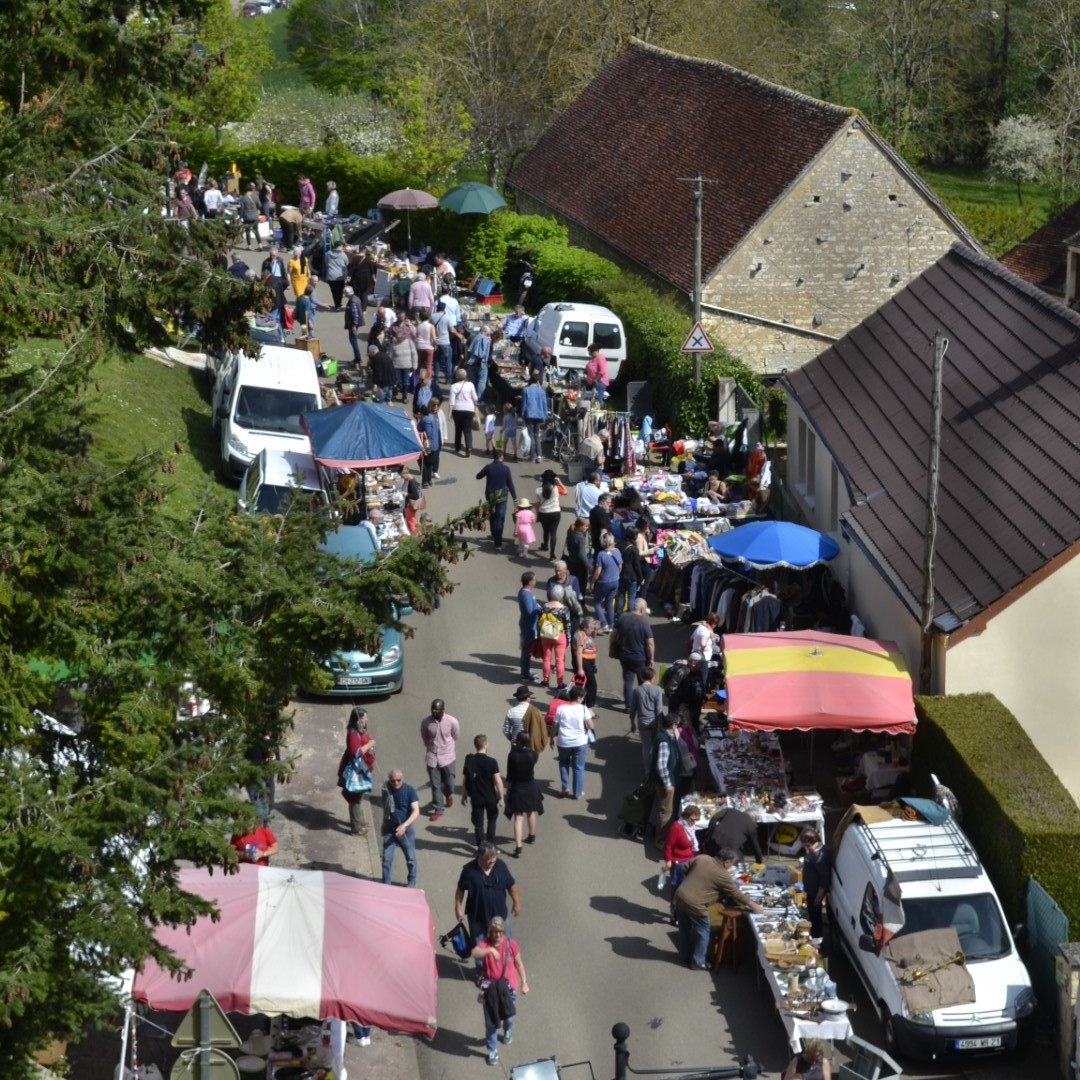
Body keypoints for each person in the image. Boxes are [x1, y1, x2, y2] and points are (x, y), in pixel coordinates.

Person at [673, 846, 763, 969]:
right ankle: (698, 962)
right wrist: (754, 905)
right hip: (696, 904)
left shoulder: (702, 858)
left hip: (680, 896)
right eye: (731, 864)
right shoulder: (722, 875)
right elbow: (735, 893)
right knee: (704, 932)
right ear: (726, 862)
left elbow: (684, 868)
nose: (731, 867)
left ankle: (685, 956)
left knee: (684, 929)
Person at [471, 916, 528, 1066]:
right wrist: (489, 950)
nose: (497, 935)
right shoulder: (485, 943)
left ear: (504, 932)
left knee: (509, 1016)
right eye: (495, 932)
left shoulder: (511, 945)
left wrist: (524, 983)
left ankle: (507, 1030)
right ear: (490, 932)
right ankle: (492, 1050)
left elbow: (519, 964)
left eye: (500, 932)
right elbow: (475, 953)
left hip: (508, 988)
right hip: (489, 988)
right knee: (491, 1022)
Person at [455, 842, 520, 946]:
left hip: (500, 916)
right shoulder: (469, 871)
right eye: (489, 858)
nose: (493, 860)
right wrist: (458, 908)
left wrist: (516, 903)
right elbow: (460, 890)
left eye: (494, 857)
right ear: (480, 856)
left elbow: (511, 885)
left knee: (506, 947)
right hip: (478, 918)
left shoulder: (501, 866)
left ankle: (502, 962)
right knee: (481, 951)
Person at [610, 597, 655, 711]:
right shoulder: (644, 622)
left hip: (624, 656)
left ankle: (629, 706)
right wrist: (651, 658)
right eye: (645, 609)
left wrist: (613, 648)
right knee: (643, 681)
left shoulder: (622, 617)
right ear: (641, 608)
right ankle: (642, 704)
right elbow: (650, 643)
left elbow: (614, 634)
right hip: (640, 657)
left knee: (628, 680)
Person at [550, 684, 594, 799]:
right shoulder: (583, 708)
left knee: (563, 763)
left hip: (563, 741)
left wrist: (551, 738)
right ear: (579, 697)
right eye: (583, 697)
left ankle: (565, 787)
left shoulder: (561, 708)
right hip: (580, 742)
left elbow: (554, 725)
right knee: (578, 767)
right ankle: (577, 793)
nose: (583, 699)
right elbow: (590, 725)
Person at [338, 707, 376, 836]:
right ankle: (356, 827)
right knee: (354, 798)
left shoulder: (359, 730)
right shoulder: (353, 734)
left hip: (362, 769)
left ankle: (359, 820)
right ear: (358, 720)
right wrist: (369, 745)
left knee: (359, 797)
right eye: (365, 718)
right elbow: (356, 753)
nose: (367, 720)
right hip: (356, 772)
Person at [462, 735, 506, 847]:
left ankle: (481, 848)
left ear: (476, 746)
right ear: (485, 745)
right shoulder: (492, 762)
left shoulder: (470, 761)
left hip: (476, 798)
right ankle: (490, 846)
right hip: (490, 797)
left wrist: (464, 795)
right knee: (492, 819)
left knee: (478, 824)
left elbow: (465, 779)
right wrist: (501, 797)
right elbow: (498, 781)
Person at [420, 699, 459, 822]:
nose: (434, 711)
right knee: (435, 785)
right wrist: (431, 747)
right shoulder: (426, 722)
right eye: (432, 709)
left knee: (449, 782)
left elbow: (455, 736)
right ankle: (438, 808)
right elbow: (425, 737)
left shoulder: (452, 721)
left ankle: (448, 794)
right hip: (432, 757)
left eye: (437, 709)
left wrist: (447, 747)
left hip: (448, 757)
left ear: (443, 709)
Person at [505, 730, 544, 855]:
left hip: (517, 787)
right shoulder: (533, 755)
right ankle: (531, 836)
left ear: (518, 741)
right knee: (531, 811)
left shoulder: (512, 755)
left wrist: (508, 789)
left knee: (518, 817)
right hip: (530, 785)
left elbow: (510, 776)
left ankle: (518, 846)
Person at [380, 769, 420, 887]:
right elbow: (386, 807)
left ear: (402, 779)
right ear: (389, 780)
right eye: (393, 781)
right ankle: (386, 886)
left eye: (399, 780)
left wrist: (404, 825)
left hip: (406, 831)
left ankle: (411, 881)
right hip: (389, 830)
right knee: (386, 860)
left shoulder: (410, 791)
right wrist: (383, 823)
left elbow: (416, 811)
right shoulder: (386, 788)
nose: (396, 783)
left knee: (410, 858)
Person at [476, 448, 517, 549]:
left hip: (490, 496)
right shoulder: (506, 469)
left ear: (493, 457)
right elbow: (510, 484)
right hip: (502, 496)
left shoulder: (489, 467)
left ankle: (494, 533)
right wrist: (515, 498)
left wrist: (481, 475)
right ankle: (498, 543)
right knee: (500, 517)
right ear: (502, 457)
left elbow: (478, 476)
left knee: (492, 515)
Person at [650, 712, 679, 839]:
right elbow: (661, 765)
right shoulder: (664, 741)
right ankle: (660, 839)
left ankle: (658, 831)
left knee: (664, 808)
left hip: (661, 780)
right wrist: (668, 784)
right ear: (673, 725)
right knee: (666, 810)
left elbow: (651, 753)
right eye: (677, 725)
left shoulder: (661, 736)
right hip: (664, 782)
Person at [630, 664, 664, 773]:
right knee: (656, 744)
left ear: (641, 677)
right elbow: (659, 709)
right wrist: (660, 724)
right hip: (655, 721)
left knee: (646, 747)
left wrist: (632, 723)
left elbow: (633, 709)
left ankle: (648, 772)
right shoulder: (657, 690)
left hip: (642, 721)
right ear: (653, 677)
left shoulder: (637, 691)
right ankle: (658, 768)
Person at [537, 583, 571, 688]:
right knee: (559, 660)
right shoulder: (564, 609)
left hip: (546, 634)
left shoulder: (545, 606)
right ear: (562, 596)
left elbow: (539, 621)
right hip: (559, 635)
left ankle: (545, 681)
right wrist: (568, 640)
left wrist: (539, 635)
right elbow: (568, 625)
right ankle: (560, 684)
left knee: (546, 659)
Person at [800, 827, 831, 940]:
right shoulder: (815, 851)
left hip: (815, 893)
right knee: (812, 914)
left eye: (807, 846)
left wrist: (819, 896)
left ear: (814, 842)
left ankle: (817, 940)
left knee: (815, 917)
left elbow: (824, 877)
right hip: (811, 890)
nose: (806, 849)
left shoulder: (819, 856)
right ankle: (814, 936)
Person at [591, 531, 622, 633]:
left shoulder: (601, 554)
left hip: (604, 582)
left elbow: (598, 571)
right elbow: (620, 566)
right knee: (609, 603)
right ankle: (611, 625)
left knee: (597, 603)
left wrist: (592, 582)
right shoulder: (617, 551)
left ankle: (604, 624)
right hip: (615, 581)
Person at [502, 685, 547, 753]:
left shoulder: (511, 711)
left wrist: (512, 738)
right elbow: (541, 728)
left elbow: (505, 730)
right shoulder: (536, 711)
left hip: (516, 744)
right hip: (530, 745)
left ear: (517, 698)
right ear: (528, 698)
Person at [668, 652, 707, 726]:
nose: (702, 666)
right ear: (693, 663)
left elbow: (701, 686)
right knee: (682, 728)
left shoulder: (699, 673)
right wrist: (679, 705)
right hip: (683, 708)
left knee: (694, 726)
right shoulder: (682, 672)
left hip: (695, 707)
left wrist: (703, 696)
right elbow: (670, 689)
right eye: (700, 663)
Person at [449, 367, 479, 456]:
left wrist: (449, 413)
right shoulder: (470, 385)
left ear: (457, 377)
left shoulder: (453, 386)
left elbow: (451, 402)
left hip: (457, 410)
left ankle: (457, 447)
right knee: (467, 430)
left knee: (458, 429)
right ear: (465, 376)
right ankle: (468, 447)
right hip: (469, 410)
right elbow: (475, 398)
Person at [388, 310, 418, 401]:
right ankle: (395, 394)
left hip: (407, 360)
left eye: (403, 317)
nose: (401, 319)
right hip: (396, 362)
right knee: (397, 381)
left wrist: (411, 325)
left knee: (406, 381)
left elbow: (415, 334)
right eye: (399, 317)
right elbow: (390, 352)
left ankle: (404, 397)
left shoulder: (408, 325)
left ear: (405, 317)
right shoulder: (393, 326)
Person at [517, 571, 540, 683]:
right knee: (527, 650)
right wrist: (540, 609)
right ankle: (525, 673)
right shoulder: (525, 595)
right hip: (528, 626)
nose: (535, 581)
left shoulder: (527, 592)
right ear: (530, 582)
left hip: (529, 625)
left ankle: (525, 671)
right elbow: (529, 612)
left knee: (527, 649)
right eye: (534, 580)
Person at [617, 528, 645, 616]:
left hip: (621, 573)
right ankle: (631, 615)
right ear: (634, 536)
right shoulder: (633, 549)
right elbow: (637, 565)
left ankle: (618, 614)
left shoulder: (618, 545)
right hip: (632, 575)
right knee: (631, 597)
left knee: (621, 595)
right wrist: (641, 578)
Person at [573, 615, 600, 709]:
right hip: (584, 663)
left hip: (589, 663)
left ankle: (585, 706)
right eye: (591, 628)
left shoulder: (586, 633)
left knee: (587, 685)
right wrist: (580, 669)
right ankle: (588, 707)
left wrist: (595, 629)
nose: (593, 630)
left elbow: (593, 636)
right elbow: (579, 653)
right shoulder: (580, 635)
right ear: (585, 627)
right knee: (591, 686)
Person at [520, 373, 547, 464]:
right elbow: (544, 405)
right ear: (538, 381)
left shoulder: (526, 390)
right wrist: (545, 416)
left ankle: (532, 456)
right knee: (537, 435)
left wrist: (523, 415)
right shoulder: (542, 391)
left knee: (531, 435)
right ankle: (539, 455)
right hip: (539, 415)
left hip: (529, 415)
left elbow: (524, 404)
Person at [675, 708, 700, 805]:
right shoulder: (677, 733)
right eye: (688, 720)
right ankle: (679, 810)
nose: (690, 722)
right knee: (682, 790)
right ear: (683, 721)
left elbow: (695, 742)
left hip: (691, 764)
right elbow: (678, 749)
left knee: (688, 787)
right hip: (683, 767)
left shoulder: (690, 730)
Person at [432, 299, 459, 386]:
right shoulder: (447, 317)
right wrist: (459, 335)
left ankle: (436, 378)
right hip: (445, 342)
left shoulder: (432, 317)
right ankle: (448, 379)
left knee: (437, 360)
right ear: (444, 308)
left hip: (436, 342)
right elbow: (452, 330)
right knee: (448, 361)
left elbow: (430, 328)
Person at [565, 516, 592, 595]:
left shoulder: (570, 533)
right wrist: (589, 567)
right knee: (581, 584)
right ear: (580, 526)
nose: (587, 528)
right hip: (579, 565)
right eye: (585, 526)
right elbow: (582, 555)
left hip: (571, 562)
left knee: (572, 582)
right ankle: (581, 601)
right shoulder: (580, 538)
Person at [418, 399, 441, 486]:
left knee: (423, 462)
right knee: (430, 463)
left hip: (428, 445)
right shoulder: (430, 417)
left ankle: (425, 481)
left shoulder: (426, 419)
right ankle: (429, 480)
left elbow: (427, 433)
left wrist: (419, 432)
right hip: (434, 444)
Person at [467, 324, 492, 400]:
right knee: (481, 382)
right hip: (481, 364)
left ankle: (471, 397)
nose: (489, 335)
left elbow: (468, 349)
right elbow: (482, 353)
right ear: (484, 331)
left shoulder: (474, 336)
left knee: (472, 381)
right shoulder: (484, 339)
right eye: (488, 333)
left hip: (471, 362)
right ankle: (479, 399)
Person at [343, 286, 365, 366]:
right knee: (353, 340)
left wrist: (354, 326)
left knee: (353, 340)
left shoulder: (352, 302)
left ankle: (358, 358)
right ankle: (357, 358)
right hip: (354, 323)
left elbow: (355, 315)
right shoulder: (356, 298)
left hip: (353, 324)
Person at [239, 183, 261, 249]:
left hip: (247, 217)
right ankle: (260, 245)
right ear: (252, 189)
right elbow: (260, 205)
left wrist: (240, 218)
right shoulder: (255, 196)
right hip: (255, 216)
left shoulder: (243, 198)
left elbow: (242, 209)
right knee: (256, 231)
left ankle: (249, 246)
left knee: (247, 231)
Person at [415, 311, 435, 378]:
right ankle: (428, 379)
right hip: (428, 346)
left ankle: (418, 378)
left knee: (419, 364)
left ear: (420, 317)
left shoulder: (418, 326)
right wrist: (435, 346)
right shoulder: (431, 326)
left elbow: (416, 336)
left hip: (420, 346)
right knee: (429, 365)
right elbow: (434, 338)